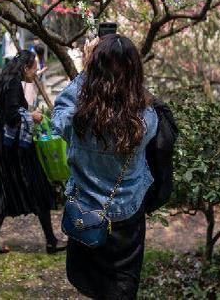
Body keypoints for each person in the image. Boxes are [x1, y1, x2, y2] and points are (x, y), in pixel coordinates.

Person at [51, 34, 159, 299]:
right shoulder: (147, 120)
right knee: (121, 286)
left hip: (84, 210)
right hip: (126, 214)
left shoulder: (79, 120)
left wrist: (86, 72)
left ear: (95, 71)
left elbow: (58, 116)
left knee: (90, 283)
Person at [0, 50, 66, 255]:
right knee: (38, 186)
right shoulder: (13, 83)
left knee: (5, 190)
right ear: (24, 68)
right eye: (34, 68)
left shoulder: (3, 79)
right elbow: (13, 115)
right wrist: (33, 116)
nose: (35, 72)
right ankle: (51, 241)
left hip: (3, 144)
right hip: (16, 148)